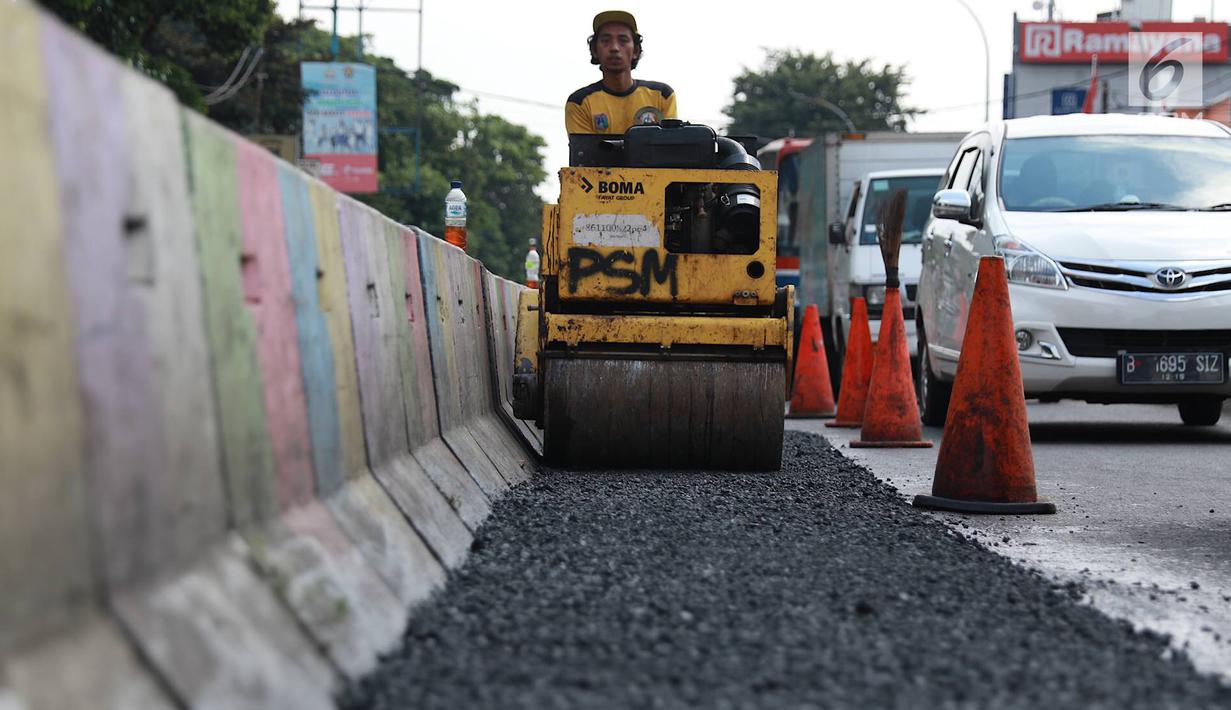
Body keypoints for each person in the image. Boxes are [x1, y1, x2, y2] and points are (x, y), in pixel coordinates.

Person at [566, 10, 677, 135]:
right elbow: (585, 153)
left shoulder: (662, 95)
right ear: (594, 50)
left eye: (623, 40)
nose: (614, 48)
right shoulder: (580, 102)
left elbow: (668, 148)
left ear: (635, 50)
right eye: (606, 40)